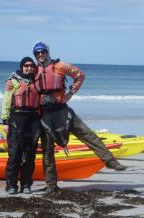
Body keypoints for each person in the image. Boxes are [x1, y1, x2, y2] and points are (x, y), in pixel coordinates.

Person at [32, 41, 126, 193]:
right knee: (47, 151)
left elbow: (80, 75)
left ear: (47, 52)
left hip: (62, 110)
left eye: (42, 52)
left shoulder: (60, 66)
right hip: (44, 114)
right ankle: (51, 185)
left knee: (87, 134)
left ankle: (110, 161)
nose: (40, 55)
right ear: (35, 55)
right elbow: (20, 81)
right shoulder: (33, 70)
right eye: (37, 53)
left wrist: (70, 93)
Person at [1, 57, 41, 194]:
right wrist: (5, 121)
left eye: (31, 66)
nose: (29, 68)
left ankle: (26, 185)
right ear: (22, 67)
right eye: (26, 66)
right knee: (15, 154)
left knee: (30, 155)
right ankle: (11, 185)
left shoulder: (38, 82)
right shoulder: (13, 81)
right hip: (16, 118)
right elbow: (7, 101)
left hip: (34, 120)